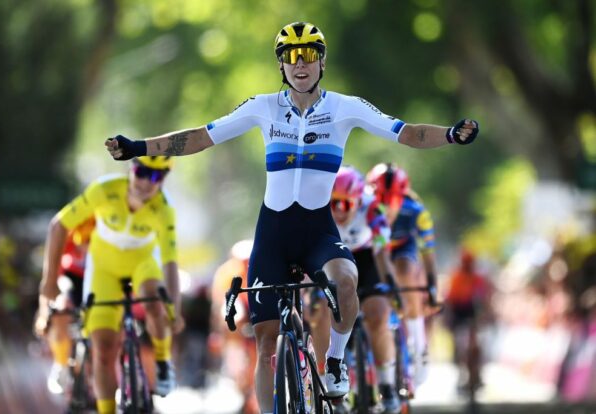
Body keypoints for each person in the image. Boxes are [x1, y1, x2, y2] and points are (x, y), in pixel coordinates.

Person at [104, 21, 479, 413]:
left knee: (347, 282)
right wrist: (139, 147)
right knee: (266, 341)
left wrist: (451, 134)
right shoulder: (263, 107)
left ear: (322, 62)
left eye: (309, 55)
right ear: (281, 66)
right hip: (274, 234)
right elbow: (200, 136)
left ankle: (334, 359)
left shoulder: (343, 108)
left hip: (318, 231)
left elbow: (407, 132)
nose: (301, 64)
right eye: (292, 57)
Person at [38, 156, 184, 414]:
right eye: (141, 171)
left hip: (142, 265)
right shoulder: (104, 190)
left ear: (163, 181)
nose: (145, 182)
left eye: (155, 176)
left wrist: (174, 309)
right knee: (103, 350)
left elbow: (170, 263)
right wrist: (48, 282)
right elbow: (58, 225)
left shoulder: (164, 209)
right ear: (131, 168)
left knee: (155, 300)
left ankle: (163, 363)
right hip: (104, 269)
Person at [309, 165, 403, 413]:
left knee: (378, 314)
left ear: (359, 200)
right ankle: (327, 382)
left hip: (366, 258)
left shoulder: (373, 209)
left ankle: (386, 384)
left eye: (346, 204)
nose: (339, 210)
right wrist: (311, 293)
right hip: (332, 259)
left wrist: (391, 288)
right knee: (319, 316)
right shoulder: (318, 209)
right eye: (334, 203)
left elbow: (382, 256)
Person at [366, 162, 440, 387]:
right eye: (381, 199)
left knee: (405, 270)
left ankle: (419, 343)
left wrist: (432, 287)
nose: (387, 207)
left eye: (393, 200)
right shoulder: (366, 207)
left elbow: (428, 255)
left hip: (402, 249)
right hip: (374, 247)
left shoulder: (417, 213)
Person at [34, 216, 95, 395]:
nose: (86, 244)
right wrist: (45, 313)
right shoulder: (67, 240)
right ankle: (61, 363)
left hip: (100, 281)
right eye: (83, 240)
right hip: (73, 281)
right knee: (60, 308)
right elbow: (51, 284)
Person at [209, 239, 258, 414]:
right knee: (234, 317)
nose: (246, 265)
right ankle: (235, 361)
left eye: (249, 260)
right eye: (242, 261)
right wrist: (221, 333)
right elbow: (221, 305)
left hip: (256, 309)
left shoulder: (261, 268)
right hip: (236, 309)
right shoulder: (226, 273)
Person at [444, 248, 492, 393]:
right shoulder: (456, 278)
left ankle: (477, 373)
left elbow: (485, 300)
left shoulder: (478, 279)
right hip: (460, 315)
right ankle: (461, 372)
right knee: (459, 345)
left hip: (473, 314)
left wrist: (485, 315)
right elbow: (450, 301)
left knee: (476, 343)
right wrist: (449, 318)